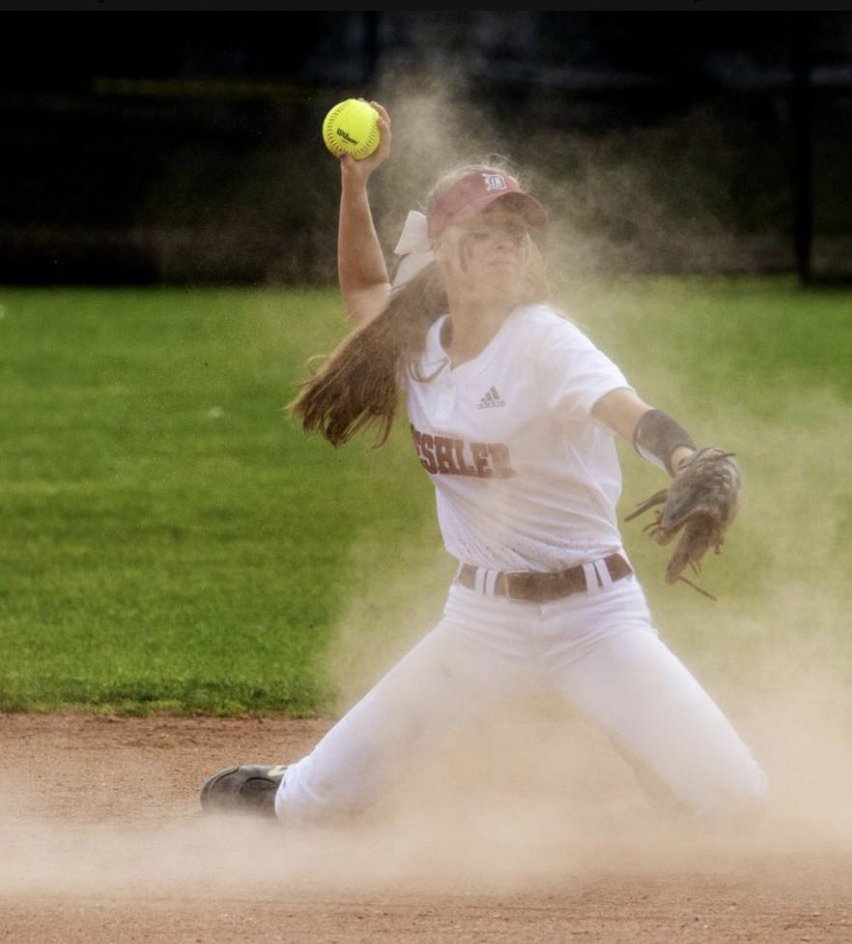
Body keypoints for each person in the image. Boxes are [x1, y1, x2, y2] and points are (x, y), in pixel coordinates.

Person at [199, 102, 767, 825]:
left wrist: (689, 458)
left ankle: (660, 760)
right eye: (487, 233)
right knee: (309, 810)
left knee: (737, 803)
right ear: (444, 248)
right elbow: (365, 292)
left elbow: (632, 413)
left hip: (595, 619)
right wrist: (355, 186)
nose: (507, 246)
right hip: (481, 626)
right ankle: (293, 785)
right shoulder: (422, 347)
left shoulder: (546, 342)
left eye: (516, 235)